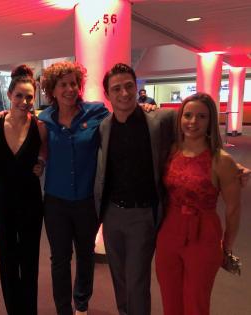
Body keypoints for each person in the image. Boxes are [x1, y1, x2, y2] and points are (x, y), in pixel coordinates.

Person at [95, 63, 176, 315]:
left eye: (129, 86)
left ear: (137, 87)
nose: (124, 93)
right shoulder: (104, 127)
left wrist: (226, 163)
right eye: (116, 89)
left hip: (143, 216)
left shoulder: (159, 120)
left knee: (137, 282)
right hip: (111, 215)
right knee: (119, 279)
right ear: (108, 95)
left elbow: (197, 133)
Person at [155, 93, 241, 315]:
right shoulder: (171, 151)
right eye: (188, 115)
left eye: (201, 116)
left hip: (204, 235)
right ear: (180, 118)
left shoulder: (221, 160)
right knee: (170, 300)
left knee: (196, 303)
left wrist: (226, 247)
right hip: (169, 232)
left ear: (211, 120)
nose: (193, 122)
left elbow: (233, 210)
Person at [38, 61, 109, 315]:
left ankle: (81, 305)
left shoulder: (96, 113)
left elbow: (121, 125)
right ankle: (62, 309)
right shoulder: (44, 119)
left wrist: (143, 110)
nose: (70, 89)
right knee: (59, 259)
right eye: (63, 84)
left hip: (87, 201)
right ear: (52, 90)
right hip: (56, 202)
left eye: (73, 83)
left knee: (86, 256)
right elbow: (37, 146)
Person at [0, 65, 47, 315]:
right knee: (7, 259)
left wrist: (41, 163)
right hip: (2, 200)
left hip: (31, 200)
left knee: (30, 259)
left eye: (29, 97)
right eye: (19, 95)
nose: (24, 101)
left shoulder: (40, 127)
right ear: (10, 95)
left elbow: (45, 151)